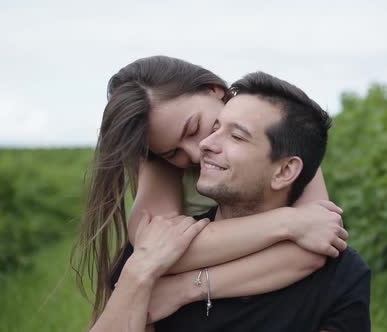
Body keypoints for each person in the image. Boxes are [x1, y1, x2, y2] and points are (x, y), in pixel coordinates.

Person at [74, 56, 349, 328]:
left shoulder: (282, 136)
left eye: (194, 128)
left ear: (214, 90)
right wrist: (290, 222)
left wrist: (183, 289)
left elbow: (315, 246)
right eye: (172, 153)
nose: (195, 151)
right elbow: (156, 248)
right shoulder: (159, 157)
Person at [151, 72, 371, 331]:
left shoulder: (340, 275)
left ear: (284, 172)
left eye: (237, 137)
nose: (205, 145)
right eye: (216, 128)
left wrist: (185, 289)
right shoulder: (156, 249)